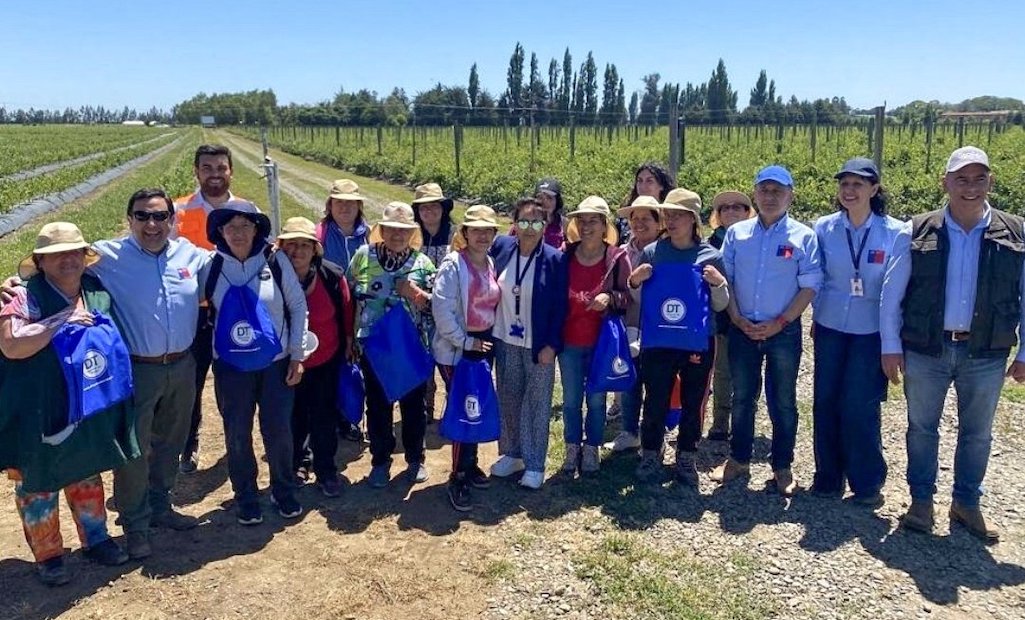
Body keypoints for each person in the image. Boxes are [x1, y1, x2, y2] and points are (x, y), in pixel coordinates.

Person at [1, 189, 210, 557]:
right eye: (142, 216)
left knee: (165, 444)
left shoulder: (185, 255)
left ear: (172, 220)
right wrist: (12, 285)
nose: (151, 224)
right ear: (129, 219)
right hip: (127, 373)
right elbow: (22, 324)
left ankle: (157, 508)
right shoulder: (106, 258)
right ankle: (131, 526)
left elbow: (229, 262)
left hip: (176, 366)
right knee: (128, 451)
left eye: (160, 216)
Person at [881, 146, 1025, 542]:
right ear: (945, 183)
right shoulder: (916, 230)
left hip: (986, 352)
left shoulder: (1016, 231)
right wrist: (890, 346)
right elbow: (893, 295)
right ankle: (921, 502)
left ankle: (966, 503)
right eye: (961, 179)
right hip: (927, 348)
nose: (970, 187)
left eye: (979, 178)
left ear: (990, 182)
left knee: (977, 433)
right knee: (921, 428)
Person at [0, 223, 137, 585]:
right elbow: (12, 345)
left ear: (84, 257)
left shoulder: (95, 290)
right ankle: (49, 556)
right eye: (57, 254)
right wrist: (61, 321)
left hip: (87, 399)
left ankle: (96, 539)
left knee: (86, 470)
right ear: (41, 262)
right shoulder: (23, 297)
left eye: (74, 251)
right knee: (38, 481)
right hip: (38, 407)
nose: (68, 259)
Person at [712, 166, 822, 497]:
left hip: (783, 332)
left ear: (790, 195)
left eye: (778, 191)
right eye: (764, 190)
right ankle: (739, 459)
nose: (770, 196)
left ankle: (782, 465)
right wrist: (735, 318)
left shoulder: (804, 237)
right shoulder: (738, 234)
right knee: (742, 397)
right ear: (755, 194)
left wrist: (781, 322)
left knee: (783, 400)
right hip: (743, 328)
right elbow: (725, 279)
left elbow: (809, 286)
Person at [811, 158, 904, 507]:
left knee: (860, 406)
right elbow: (816, 276)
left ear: (874, 189)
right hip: (831, 326)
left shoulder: (895, 232)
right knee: (825, 401)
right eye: (844, 184)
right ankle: (828, 477)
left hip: (871, 331)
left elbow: (898, 289)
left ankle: (866, 483)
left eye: (858, 185)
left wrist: (894, 340)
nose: (850, 191)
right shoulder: (824, 228)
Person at [206, 207, 308, 525]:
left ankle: (283, 488)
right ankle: (246, 495)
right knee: (237, 432)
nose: (238, 232)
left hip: (274, 364)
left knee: (278, 430)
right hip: (231, 367)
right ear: (220, 232)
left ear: (256, 230)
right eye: (230, 226)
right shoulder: (210, 266)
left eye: (245, 225)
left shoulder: (275, 261)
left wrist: (297, 355)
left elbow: (297, 305)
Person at [628, 189, 729, 484]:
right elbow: (637, 296)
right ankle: (650, 453)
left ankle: (686, 456)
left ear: (693, 220)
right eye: (668, 214)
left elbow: (721, 304)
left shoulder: (711, 256)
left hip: (698, 341)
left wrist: (718, 284)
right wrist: (635, 280)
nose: (671, 221)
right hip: (658, 340)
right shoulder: (652, 253)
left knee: (694, 401)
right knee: (655, 399)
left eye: (678, 215)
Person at [174, 144, 259, 475]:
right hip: (193, 311)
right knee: (190, 382)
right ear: (196, 171)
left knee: (234, 381)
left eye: (220, 167)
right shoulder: (178, 211)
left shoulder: (246, 209)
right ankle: (188, 442)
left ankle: (236, 441)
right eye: (207, 167)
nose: (214, 174)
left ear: (231, 171)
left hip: (233, 310)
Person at [347, 202, 437, 488]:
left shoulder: (423, 264)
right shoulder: (363, 256)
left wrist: (416, 294)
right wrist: (350, 337)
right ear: (382, 230)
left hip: (411, 347)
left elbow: (438, 307)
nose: (397, 235)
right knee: (378, 406)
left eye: (404, 230)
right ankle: (380, 461)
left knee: (414, 406)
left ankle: (414, 459)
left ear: (412, 233)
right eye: (392, 229)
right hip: (374, 347)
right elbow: (348, 295)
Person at [489, 198, 568, 489]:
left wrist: (552, 344)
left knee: (536, 403)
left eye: (536, 222)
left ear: (545, 225)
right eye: (523, 221)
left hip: (539, 344)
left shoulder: (554, 259)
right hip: (505, 338)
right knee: (509, 398)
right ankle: (513, 454)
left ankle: (535, 464)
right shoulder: (501, 248)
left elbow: (561, 307)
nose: (530, 228)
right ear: (514, 224)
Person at [277, 217, 354, 498]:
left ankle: (326, 470)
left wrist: (348, 342)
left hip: (325, 358)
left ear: (315, 249)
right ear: (280, 247)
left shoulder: (331, 275)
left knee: (324, 416)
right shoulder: (270, 276)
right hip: (285, 361)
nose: (297, 252)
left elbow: (346, 309)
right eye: (290, 245)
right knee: (292, 416)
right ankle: (298, 464)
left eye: (304, 245)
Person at [432, 205, 501, 511]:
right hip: (459, 348)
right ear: (465, 234)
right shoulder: (453, 265)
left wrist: (481, 342)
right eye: (476, 230)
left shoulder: (490, 262)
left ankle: (470, 464)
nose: (483, 235)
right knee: (464, 407)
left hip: (483, 344)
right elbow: (442, 311)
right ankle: (457, 476)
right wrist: (465, 341)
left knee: (474, 405)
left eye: (488, 230)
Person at [559, 196, 632, 475]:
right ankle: (571, 448)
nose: (587, 226)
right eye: (582, 220)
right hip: (569, 340)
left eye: (594, 221)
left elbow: (628, 297)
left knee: (597, 399)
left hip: (602, 342)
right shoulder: (566, 254)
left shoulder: (616, 257)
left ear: (605, 226)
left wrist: (609, 297)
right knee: (570, 400)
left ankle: (592, 448)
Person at [606, 195, 664, 452]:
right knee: (629, 379)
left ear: (658, 221)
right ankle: (629, 431)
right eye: (634, 219)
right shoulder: (622, 252)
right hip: (628, 323)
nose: (639, 224)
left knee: (655, 384)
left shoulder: (666, 251)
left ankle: (654, 438)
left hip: (659, 327)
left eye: (646, 219)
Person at [315, 178, 370, 444]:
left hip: (364, 309)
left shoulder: (371, 234)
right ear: (330, 205)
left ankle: (353, 416)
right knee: (332, 364)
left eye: (350, 203)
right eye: (339, 202)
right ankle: (336, 418)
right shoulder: (320, 235)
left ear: (359, 205)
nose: (345, 208)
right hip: (332, 310)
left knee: (358, 364)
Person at [706, 190, 755, 442]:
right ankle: (721, 424)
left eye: (738, 207)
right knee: (723, 372)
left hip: (751, 315)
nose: (731, 211)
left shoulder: (758, 240)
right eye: (725, 208)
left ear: (748, 212)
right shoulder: (709, 244)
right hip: (722, 319)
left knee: (748, 372)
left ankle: (745, 421)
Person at [411, 182, 452, 425]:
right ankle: (426, 406)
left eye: (434, 206)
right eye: (423, 208)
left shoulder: (454, 235)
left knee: (447, 360)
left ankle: (451, 405)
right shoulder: (411, 237)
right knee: (423, 359)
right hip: (418, 309)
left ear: (442, 209)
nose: (429, 212)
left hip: (447, 309)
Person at [617, 162, 676, 246]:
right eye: (640, 181)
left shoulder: (671, 219)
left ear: (662, 186)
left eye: (649, 181)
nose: (643, 186)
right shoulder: (623, 222)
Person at [535, 178, 568, 248]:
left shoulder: (565, 225)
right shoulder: (524, 222)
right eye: (540, 197)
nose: (545, 202)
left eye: (549, 198)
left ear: (557, 201)